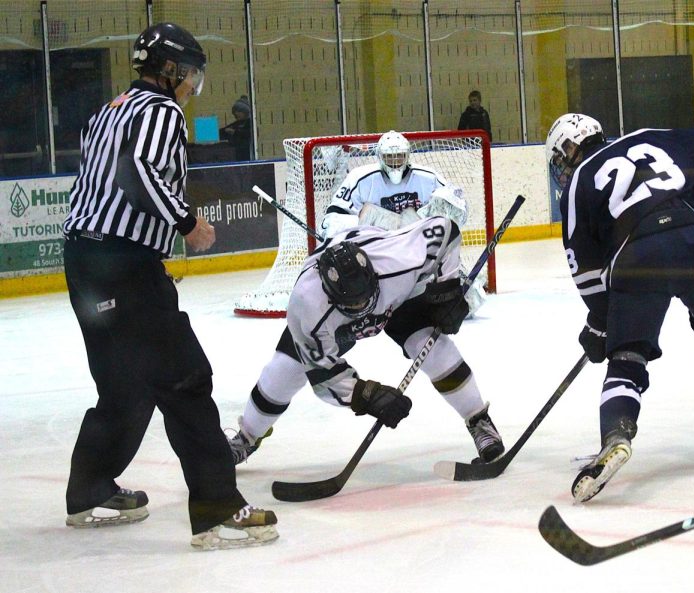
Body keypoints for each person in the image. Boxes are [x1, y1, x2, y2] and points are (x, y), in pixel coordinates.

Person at [60, 22, 277, 551]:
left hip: (84, 262)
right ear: (173, 70)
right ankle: (218, 509)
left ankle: (89, 489)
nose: (192, 86)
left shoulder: (109, 110)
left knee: (124, 386)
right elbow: (137, 171)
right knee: (184, 379)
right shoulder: (159, 111)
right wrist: (187, 222)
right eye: (192, 75)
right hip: (125, 266)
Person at [545, 114, 694, 504]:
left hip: (638, 258)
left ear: (568, 151)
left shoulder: (575, 186)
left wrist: (601, 324)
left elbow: (585, 267)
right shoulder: (649, 136)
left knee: (626, 359)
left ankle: (617, 436)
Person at [225, 218, 504, 469]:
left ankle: (479, 421)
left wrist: (447, 288)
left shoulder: (398, 261)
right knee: (283, 372)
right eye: (353, 304)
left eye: (364, 300)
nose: (361, 307)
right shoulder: (307, 306)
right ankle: (247, 437)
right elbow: (324, 378)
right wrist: (367, 395)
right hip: (336, 324)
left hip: (396, 298)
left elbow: (446, 229)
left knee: (429, 346)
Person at [320, 129, 486, 314]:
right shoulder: (361, 178)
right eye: (390, 157)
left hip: (418, 246)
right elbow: (333, 217)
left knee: (469, 302)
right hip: (380, 250)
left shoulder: (427, 177)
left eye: (399, 156)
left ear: (408, 156)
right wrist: (344, 232)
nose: (395, 162)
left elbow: (457, 208)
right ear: (380, 157)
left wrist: (438, 217)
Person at [218, 94, 253, 161]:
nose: (236, 114)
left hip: (247, 155)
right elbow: (222, 131)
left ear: (245, 112)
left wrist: (235, 132)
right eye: (235, 112)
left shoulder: (251, 123)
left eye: (239, 111)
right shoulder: (236, 124)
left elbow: (249, 134)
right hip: (236, 155)